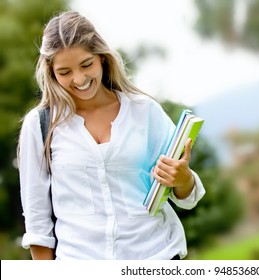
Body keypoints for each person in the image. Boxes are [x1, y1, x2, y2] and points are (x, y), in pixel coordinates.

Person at [17, 10, 205, 260]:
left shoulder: (144, 111)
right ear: (51, 73)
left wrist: (182, 179)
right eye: (65, 72)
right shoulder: (39, 125)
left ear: (102, 58)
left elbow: (187, 199)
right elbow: (37, 219)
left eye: (86, 65)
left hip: (157, 257)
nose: (79, 79)